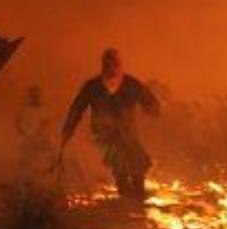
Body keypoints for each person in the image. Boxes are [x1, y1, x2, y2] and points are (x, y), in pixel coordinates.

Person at [61, 48, 161, 200]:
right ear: (103, 65)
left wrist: (154, 111)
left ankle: (137, 198)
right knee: (119, 164)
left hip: (129, 134)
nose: (112, 67)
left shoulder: (131, 84)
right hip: (105, 135)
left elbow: (151, 103)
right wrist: (67, 131)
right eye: (108, 64)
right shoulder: (92, 86)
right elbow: (77, 109)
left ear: (120, 65)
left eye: (115, 63)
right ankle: (126, 198)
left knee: (137, 165)